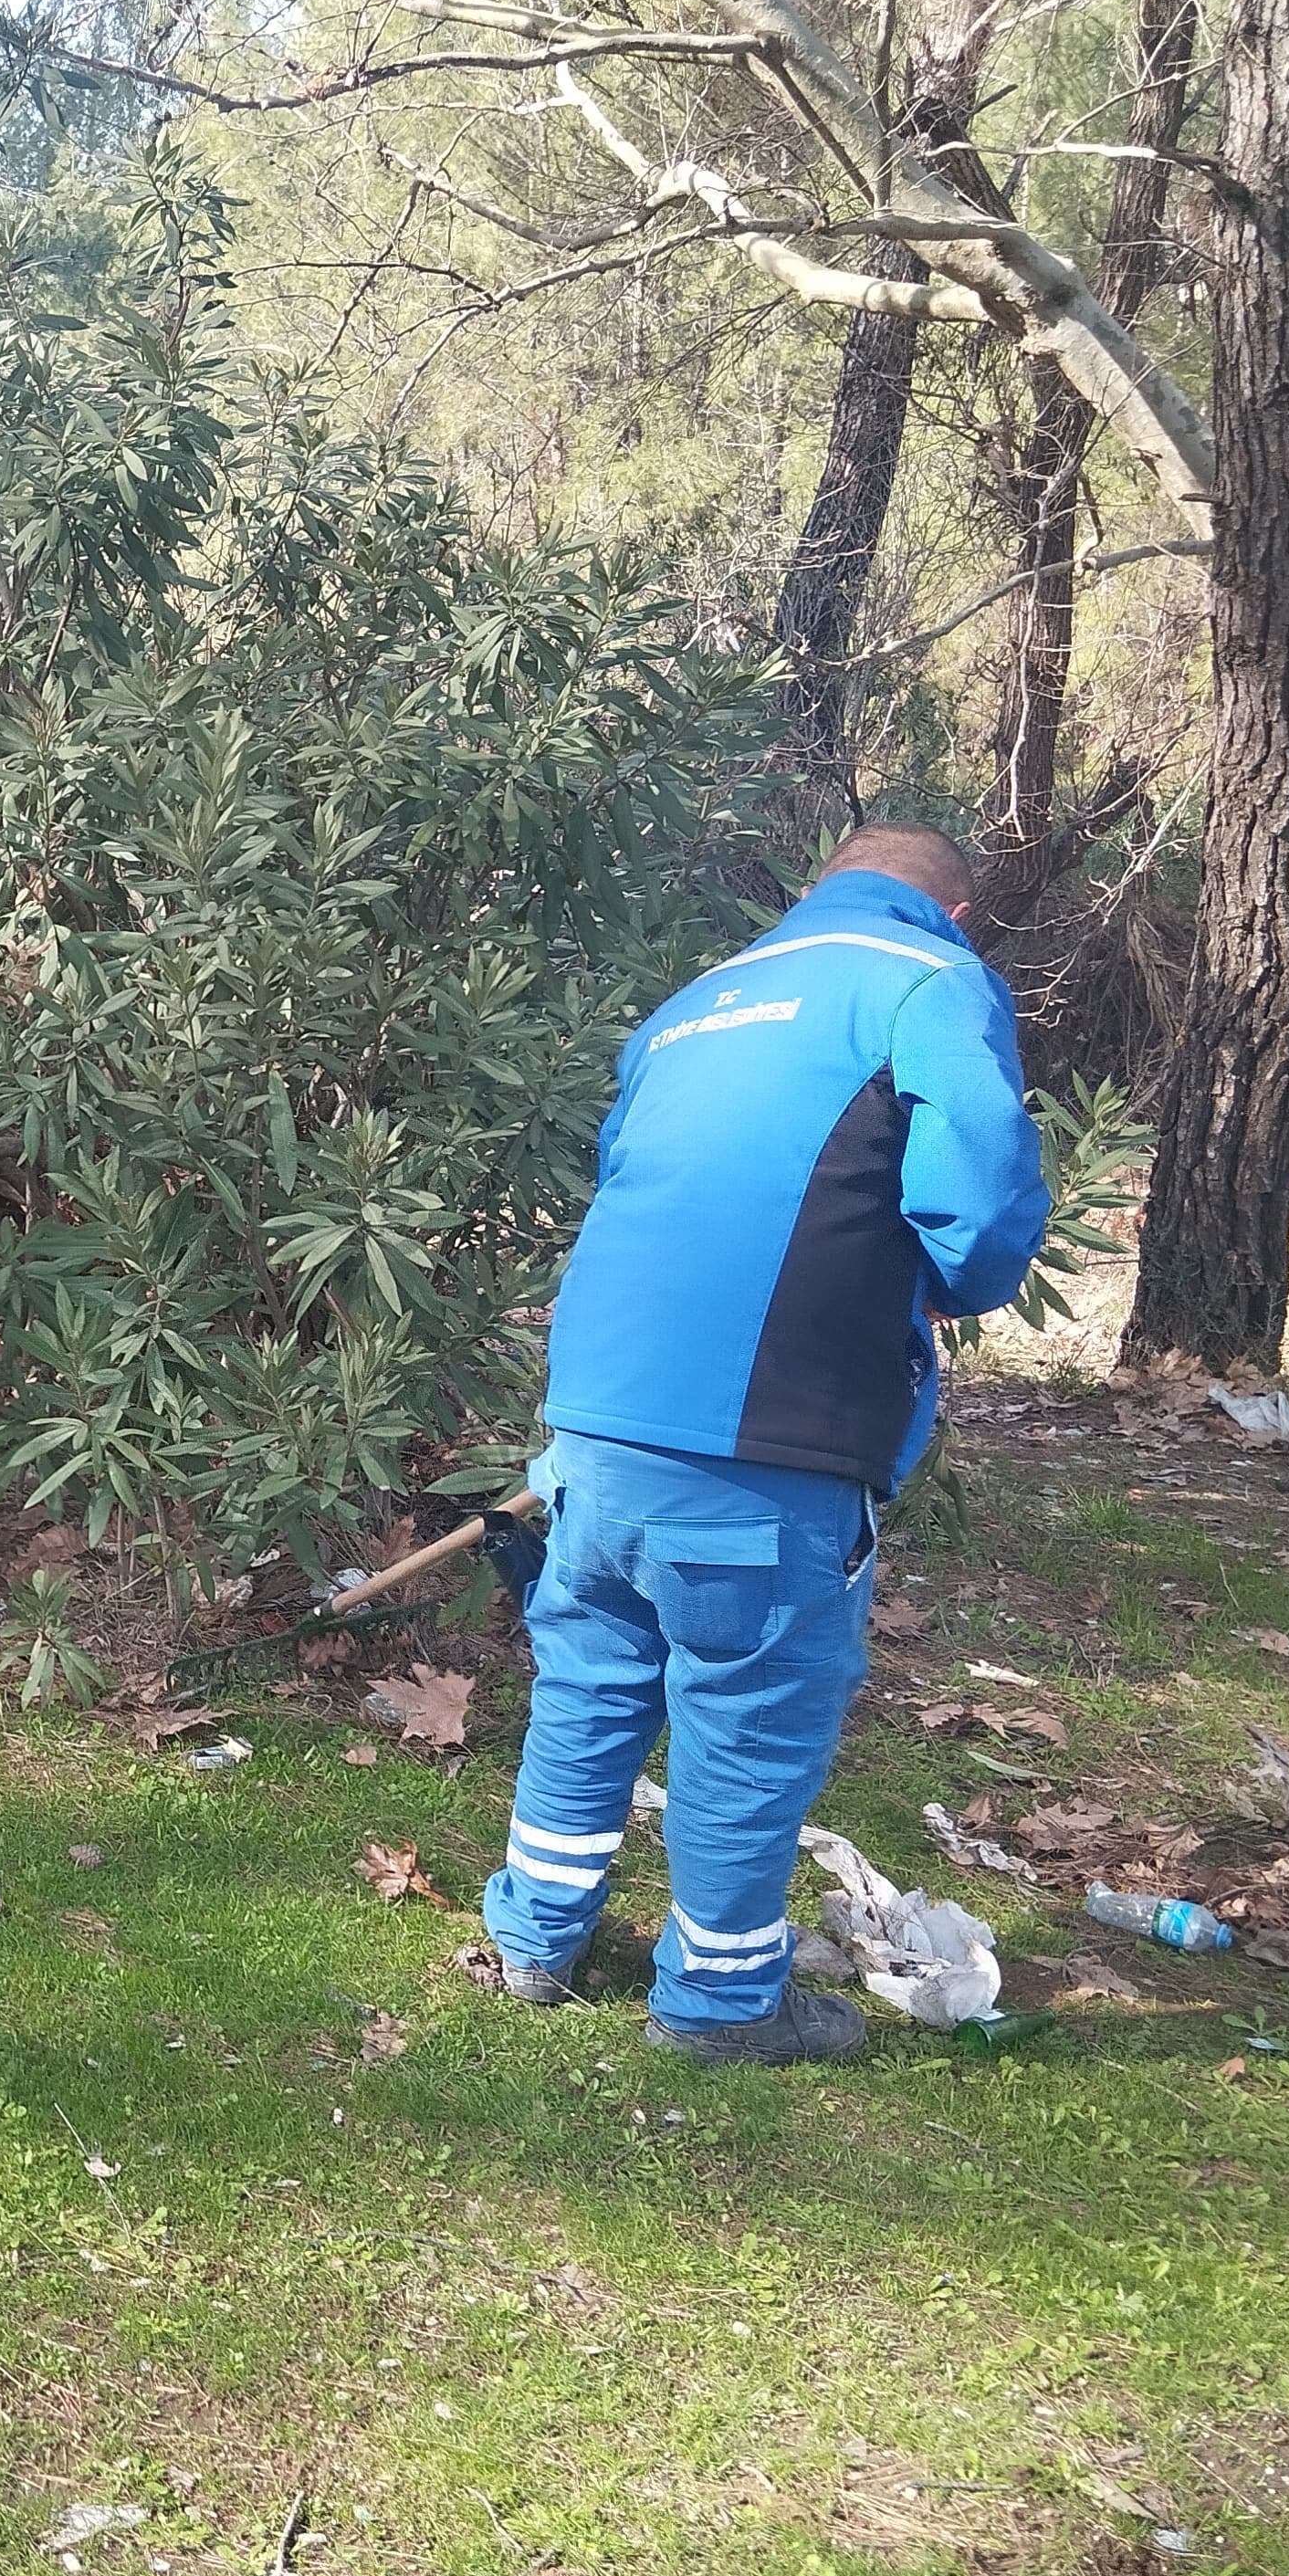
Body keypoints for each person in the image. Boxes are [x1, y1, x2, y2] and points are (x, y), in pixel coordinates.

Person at [477, 821, 1047, 2063]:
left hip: (593, 1432)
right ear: (948, 910)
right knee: (748, 1717)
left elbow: (637, 1180)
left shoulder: (696, 1002)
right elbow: (984, 1191)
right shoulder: (933, 982)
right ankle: (724, 2003)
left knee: (591, 1685)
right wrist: (957, 1281)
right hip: (767, 1440)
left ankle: (532, 1938)